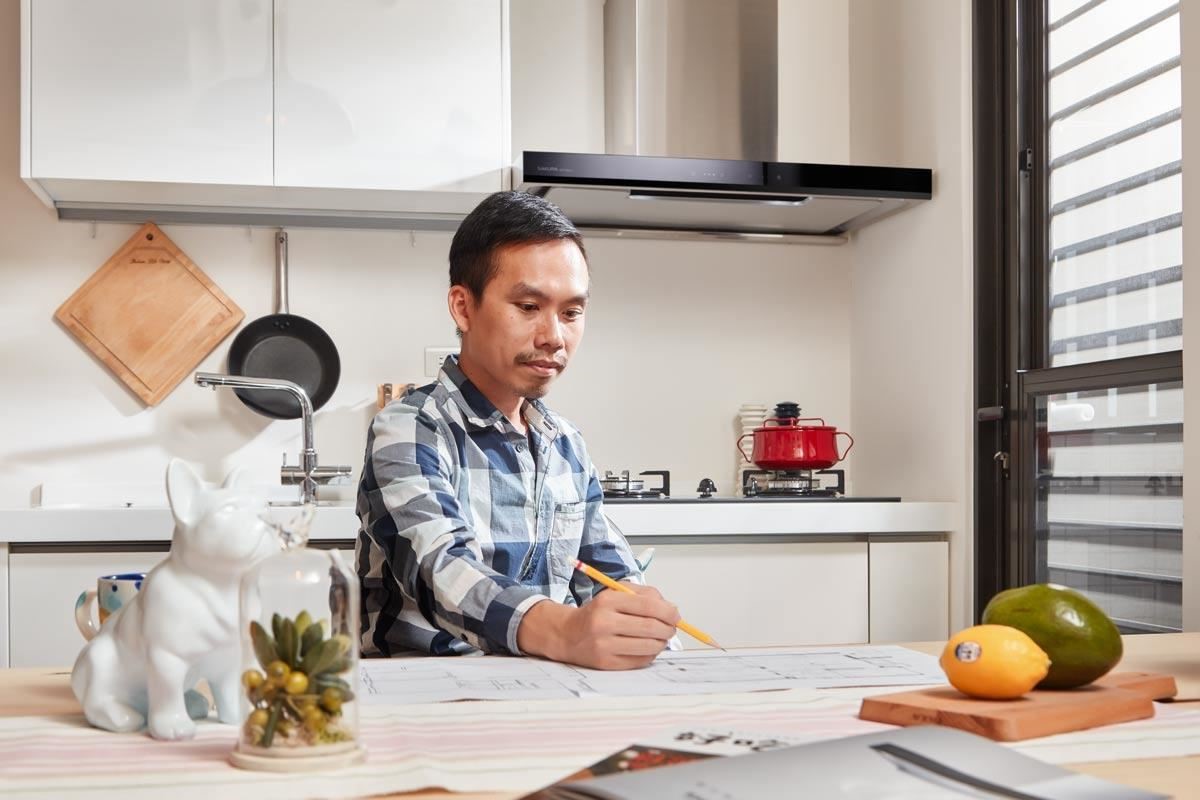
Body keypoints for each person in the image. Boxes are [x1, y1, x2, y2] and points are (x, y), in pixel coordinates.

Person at [355, 191, 681, 670]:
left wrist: (643, 625)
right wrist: (566, 630)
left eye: (571, 313)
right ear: (463, 308)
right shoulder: (409, 429)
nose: (554, 336)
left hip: (549, 691)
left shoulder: (564, 442)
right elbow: (440, 572)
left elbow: (611, 574)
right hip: (427, 695)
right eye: (529, 306)